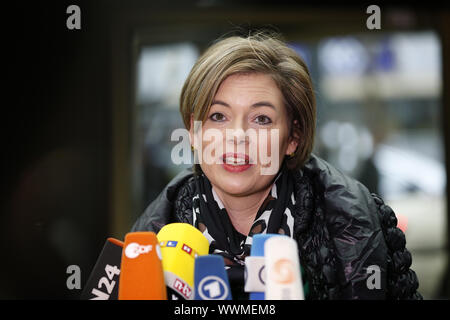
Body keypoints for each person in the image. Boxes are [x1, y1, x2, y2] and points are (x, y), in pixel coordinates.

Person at [131, 31, 422, 300]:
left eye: (261, 119)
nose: (237, 137)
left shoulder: (358, 224)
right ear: (193, 132)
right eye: (218, 116)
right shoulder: (152, 236)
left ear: (292, 137)